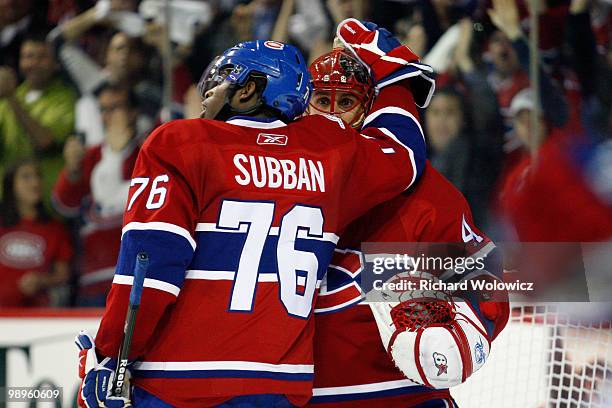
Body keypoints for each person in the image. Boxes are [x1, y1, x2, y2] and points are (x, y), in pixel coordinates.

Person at [76, 19, 434, 408]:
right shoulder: (331, 151)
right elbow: (402, 153)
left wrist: (110, 356)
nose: (207, 93)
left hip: (177, 382)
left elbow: (150, 267)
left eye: (221, 80)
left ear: (247, 90)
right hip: (279, 385)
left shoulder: (180, 142)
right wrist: (392, 71)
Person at [304, 48, 509, 407]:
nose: (333, 116)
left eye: (346, 101)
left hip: (403, 397)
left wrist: (468, 327)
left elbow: (483, 287)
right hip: (298, 396)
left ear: (368, 109)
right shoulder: (274, 179)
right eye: (323, 100)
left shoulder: (425, 194)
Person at [52, 84, 144, 306]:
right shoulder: (90, 156)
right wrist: (73, 171)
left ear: (133, 112)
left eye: (115, 108)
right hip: (93, 282)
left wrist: (115, 154)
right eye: (103, 109)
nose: (108, 116)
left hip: (137, 276)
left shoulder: (148, 152)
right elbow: (65, 205)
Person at [0, 30, 77, 204]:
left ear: (55, 63)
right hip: (8, 205)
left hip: (47, 204)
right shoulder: (7, 98)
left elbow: (45, 142)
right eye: (28, 57)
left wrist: (11, 98)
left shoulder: (66, 98)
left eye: (42, 57)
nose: (33, 63)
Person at [0, 158, 73, 307]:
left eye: (37, 176)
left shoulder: (55, 228)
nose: (35, 183)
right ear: (10, 184)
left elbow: (64, 275)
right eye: (26, 177)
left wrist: (42, 280)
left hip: (37, 319)